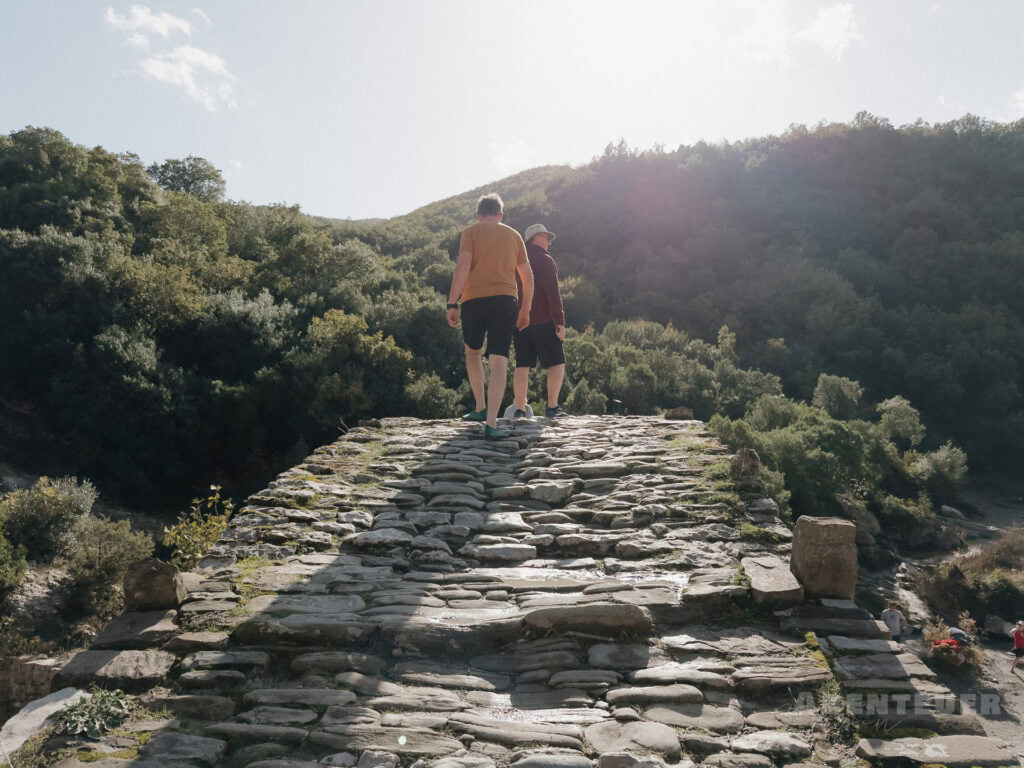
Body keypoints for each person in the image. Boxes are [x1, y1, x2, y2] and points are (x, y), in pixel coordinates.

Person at [447, 193, 534, 439]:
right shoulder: (514, 235)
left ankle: (479, 406)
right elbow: (528, 277)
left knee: (472, 353)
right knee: (499, 362)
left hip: (473, 300)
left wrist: (452, 303)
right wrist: (526, 308)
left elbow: (462, 266)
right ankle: (491, 423)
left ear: (479, 215)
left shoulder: (470, 232)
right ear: (500, 215)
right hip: (505, 301)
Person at [511, 223, 567, 419]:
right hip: (543, 319)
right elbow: (553, 292)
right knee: (557, 362)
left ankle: (519, 409)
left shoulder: (515, 259)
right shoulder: (545, 260)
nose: (549, 242)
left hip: (519, 320)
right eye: (546, 237)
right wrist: (560, 321)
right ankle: (552, 408)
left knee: (522, 364)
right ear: (536, 238)